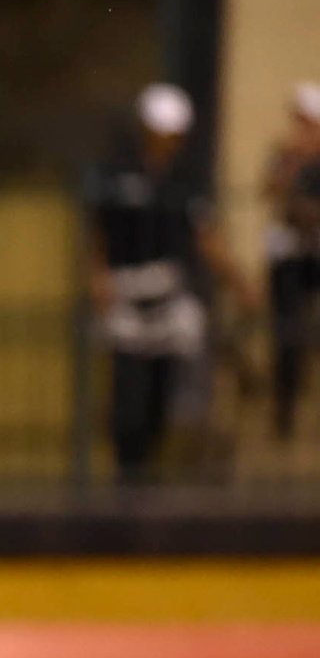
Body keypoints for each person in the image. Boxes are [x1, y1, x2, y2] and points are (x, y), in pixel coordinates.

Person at [86, 83, 257, 481]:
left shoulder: (185, 181)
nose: (168, 142)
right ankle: (127, 474)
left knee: (161, 398)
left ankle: (149, 467)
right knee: (127, 395)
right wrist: (96, 279)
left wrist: (239, 283)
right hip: (125, 296)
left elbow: (207, 238)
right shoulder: (116, 175)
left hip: (168, 297)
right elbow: (95, 235)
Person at [262, 81, 320, 440]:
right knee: (286, 333)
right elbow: (269, 191)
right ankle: (284, 408)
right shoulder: (284, 155)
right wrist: (292, 165)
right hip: (289, 256)